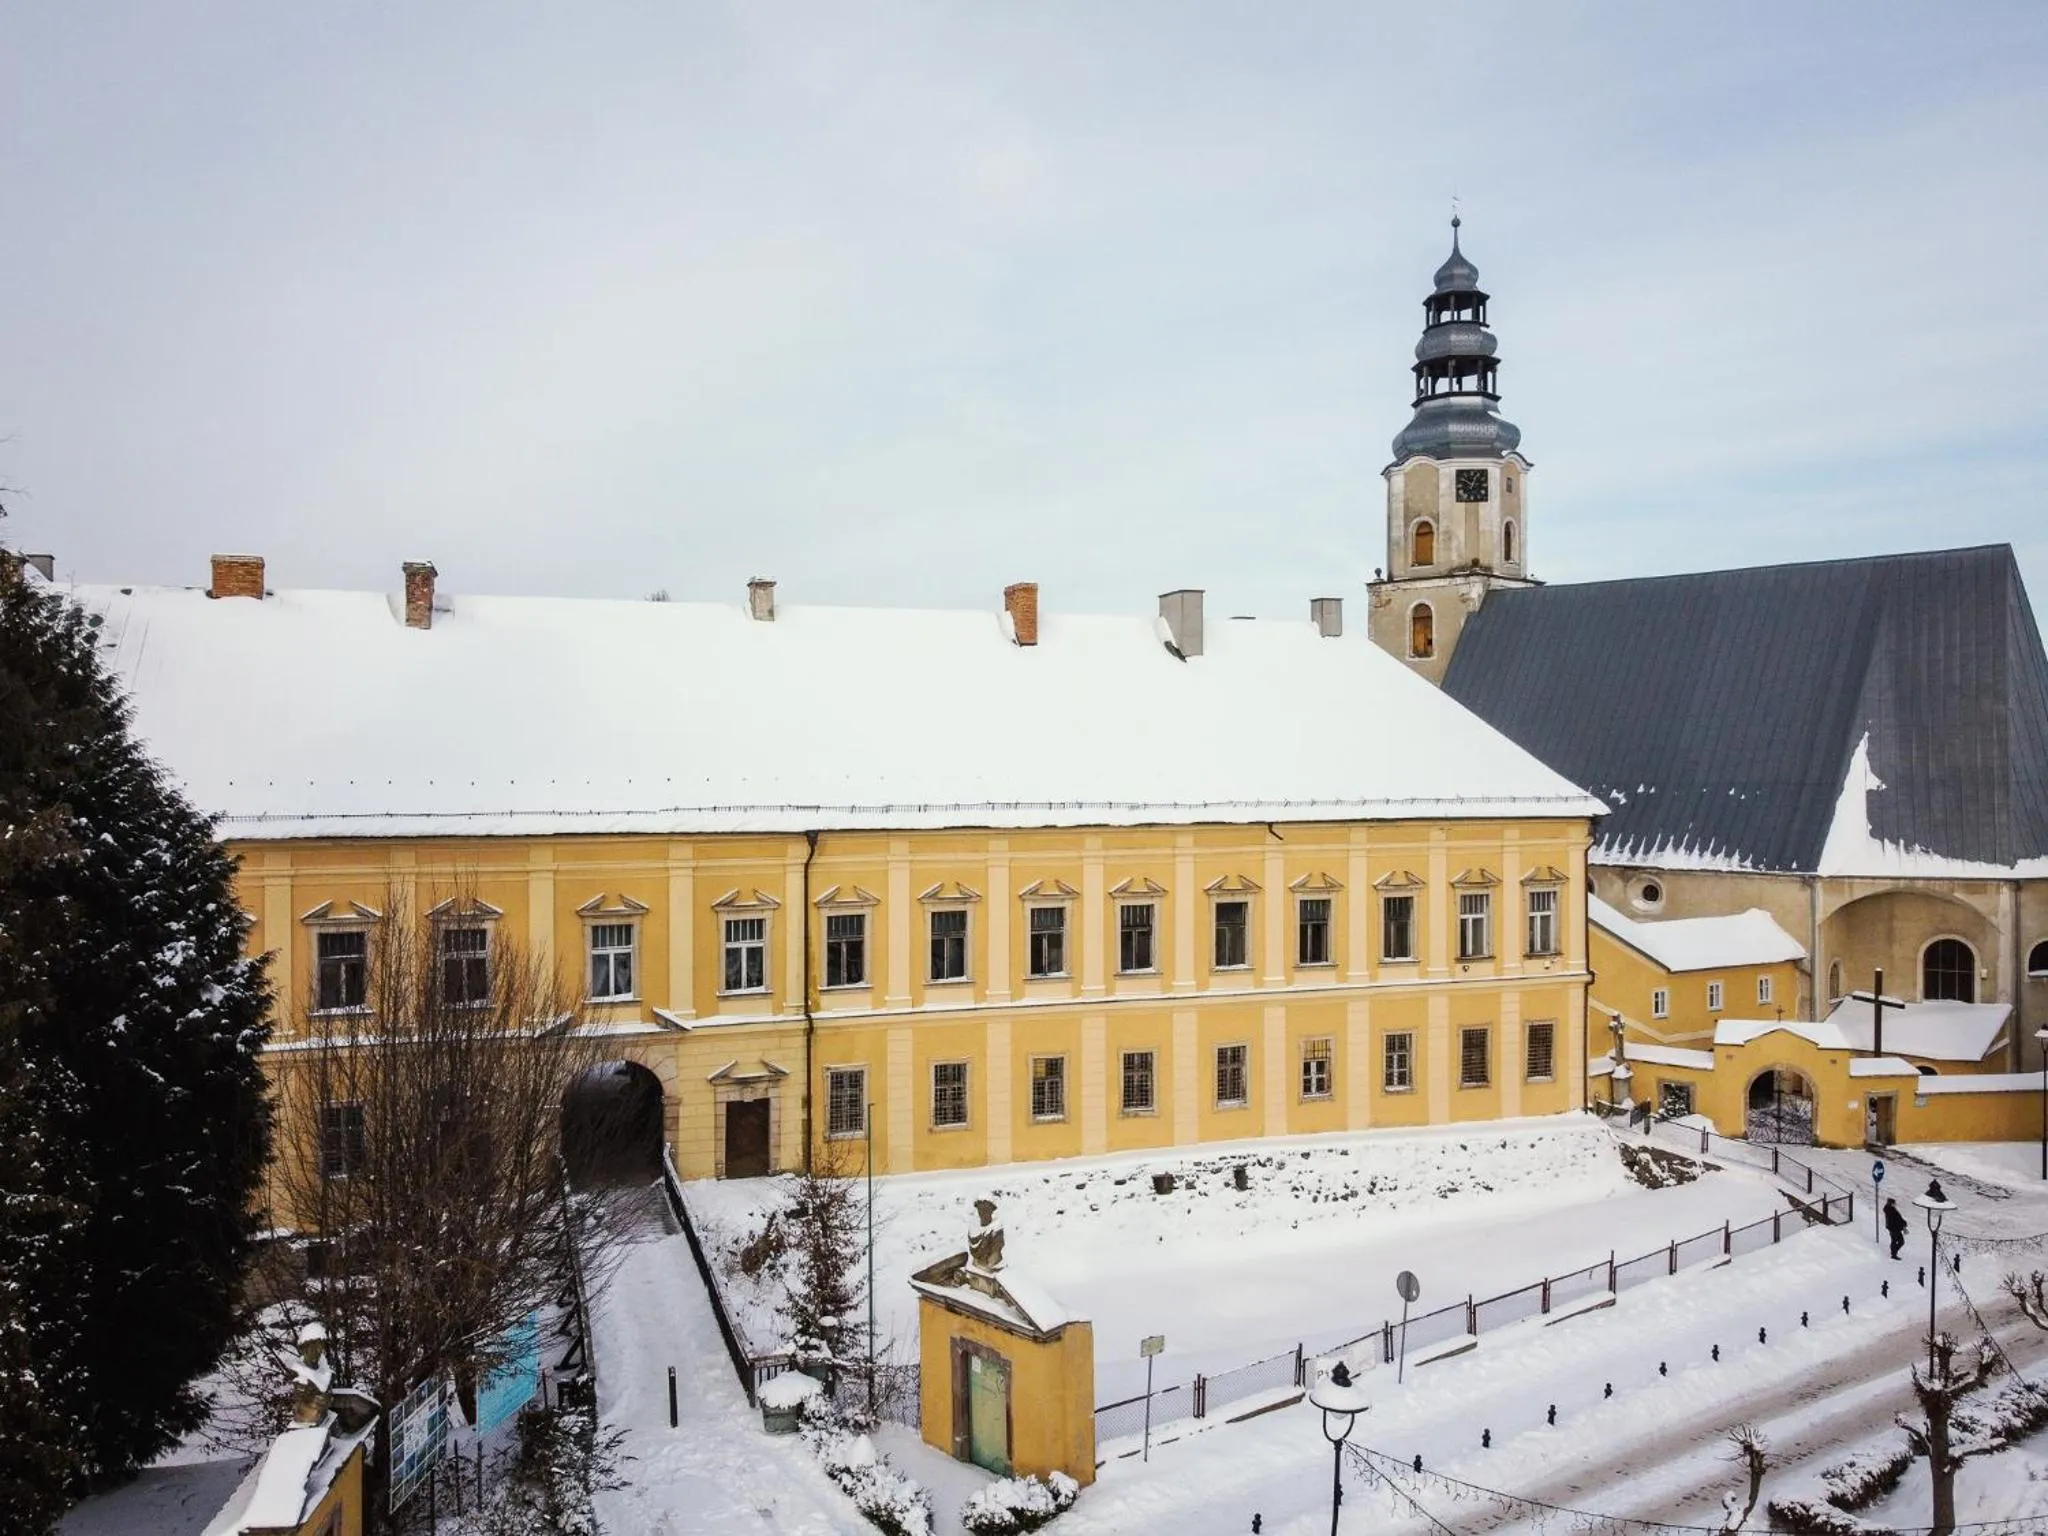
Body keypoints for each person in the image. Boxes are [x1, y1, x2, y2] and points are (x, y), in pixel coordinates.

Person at [1884, 1196, 1909, 1260]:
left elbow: (1899, 1219)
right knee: (1899, 1241)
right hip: (1894, 1228)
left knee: (1897, 1241)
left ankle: (1893, 1252)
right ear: (1891, 1204)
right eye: (1894, 1203)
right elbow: (1897, 1220)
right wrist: (1903, 1225)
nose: (1895, 1204)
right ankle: (1893, 1253)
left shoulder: (1892, 1210)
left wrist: (1903, 1224)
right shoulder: (1891, 1211)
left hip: (1895, 1228)